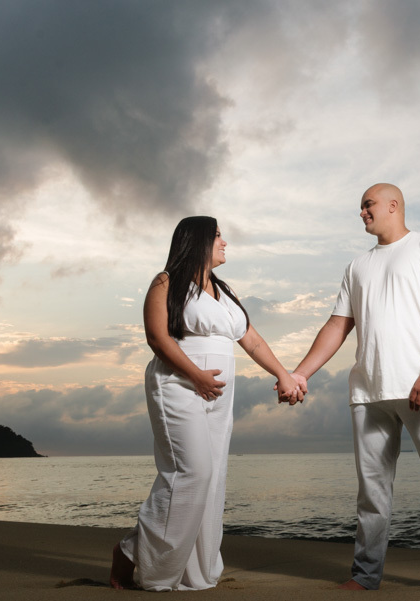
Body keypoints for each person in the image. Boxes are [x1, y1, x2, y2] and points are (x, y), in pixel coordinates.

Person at [289, 184, 420, 594]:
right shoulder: (356, 266)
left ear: (392, 205)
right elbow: (337, 326)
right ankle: (365, 576)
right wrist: (301, 373)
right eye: (361, 208)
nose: (362, 213)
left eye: (367, 205)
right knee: (372, 494)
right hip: (368, 393)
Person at [110, 216, 301, 591]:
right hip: (178, 384)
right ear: (197, 241)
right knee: (192, 472)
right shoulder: (166, 281)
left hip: (219, 394)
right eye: (217, 236)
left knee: (212, 479)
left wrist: (284, 374)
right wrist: (196, 376)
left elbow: (252, 340)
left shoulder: (223, 291)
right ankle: (130, 553)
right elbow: (156, 337)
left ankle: (190, 570)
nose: (225, 242)